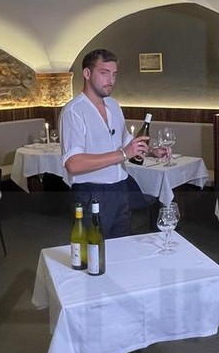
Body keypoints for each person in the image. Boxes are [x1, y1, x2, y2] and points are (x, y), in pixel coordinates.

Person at [59, 48, 166, 238]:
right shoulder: (74, 112)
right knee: (94, 250)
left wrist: (151, 151)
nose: (111, 80)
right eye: (104, 73)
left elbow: (125, 143)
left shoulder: (114, 105)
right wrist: (124, 154)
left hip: (120, 188)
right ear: (87, 73)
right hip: (91, 193)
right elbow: (73, 164)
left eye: (114, 74)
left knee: (121, 247)